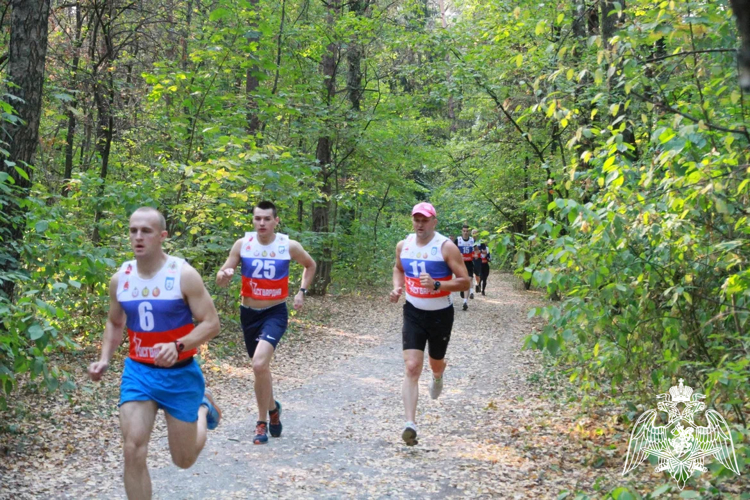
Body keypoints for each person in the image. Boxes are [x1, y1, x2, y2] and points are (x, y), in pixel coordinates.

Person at [88, 207, 222, 500]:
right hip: (140, 373)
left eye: (146, 231)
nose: (138, 237)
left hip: (180, 375)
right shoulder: (120, 278)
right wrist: (104, 358)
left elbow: (211, 323)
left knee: (183, 460)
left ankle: (202, 408)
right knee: (132, 449)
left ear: (162, 236)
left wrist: (178, 346)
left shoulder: (183, 274)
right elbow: (114, 322)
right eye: (133, 230)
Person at [216, 201, 316, 445]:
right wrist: (224, 275)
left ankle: (261, 423)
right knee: (260, 369)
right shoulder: (243, 245)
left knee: (259, 364)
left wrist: (301, 291)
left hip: (275, 313)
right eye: (257, 218)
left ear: (276, 221)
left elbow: (310, 265)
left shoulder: (288, 245)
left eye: (266, 219)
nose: (261, 223)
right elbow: (221, 278)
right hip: (248, 313)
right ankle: (273, 409)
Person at [389, 202, 470, 446]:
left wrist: (437, 285)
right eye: (416, 219)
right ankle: (410, 424)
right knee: (412, 366)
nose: (420, 224)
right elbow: (397, 268)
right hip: (413, 311)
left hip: (440, 314)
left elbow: (465, 282)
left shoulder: (446, 247)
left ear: (434, 222)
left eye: (424, 220)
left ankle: (438, 375)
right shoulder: (403, 245)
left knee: (435, 363)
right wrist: (396, 287)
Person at [454, 224, 475, 310]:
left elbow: (477, 250)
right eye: (464, 231)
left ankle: (465, 302)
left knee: (469, 279)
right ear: (462, 231)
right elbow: (452, 250)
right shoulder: (458, 240)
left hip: (469, 264)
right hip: (460, 264)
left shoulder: (472, 240)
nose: (465, 233)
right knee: (462, 282)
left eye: (467, 231)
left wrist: (476, 254)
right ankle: (463, 293)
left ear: (469, 232)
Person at [471, 229, 482, 293]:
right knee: (470, 274)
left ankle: (477, 284)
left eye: (476, 233)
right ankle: (470, 288)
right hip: (470, 259)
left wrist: (477, 252)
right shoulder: (470, 241)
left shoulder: (480, 241)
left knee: (477, 274)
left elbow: (483, 250)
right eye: (473, 233)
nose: (474, 235)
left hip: (478, 259)